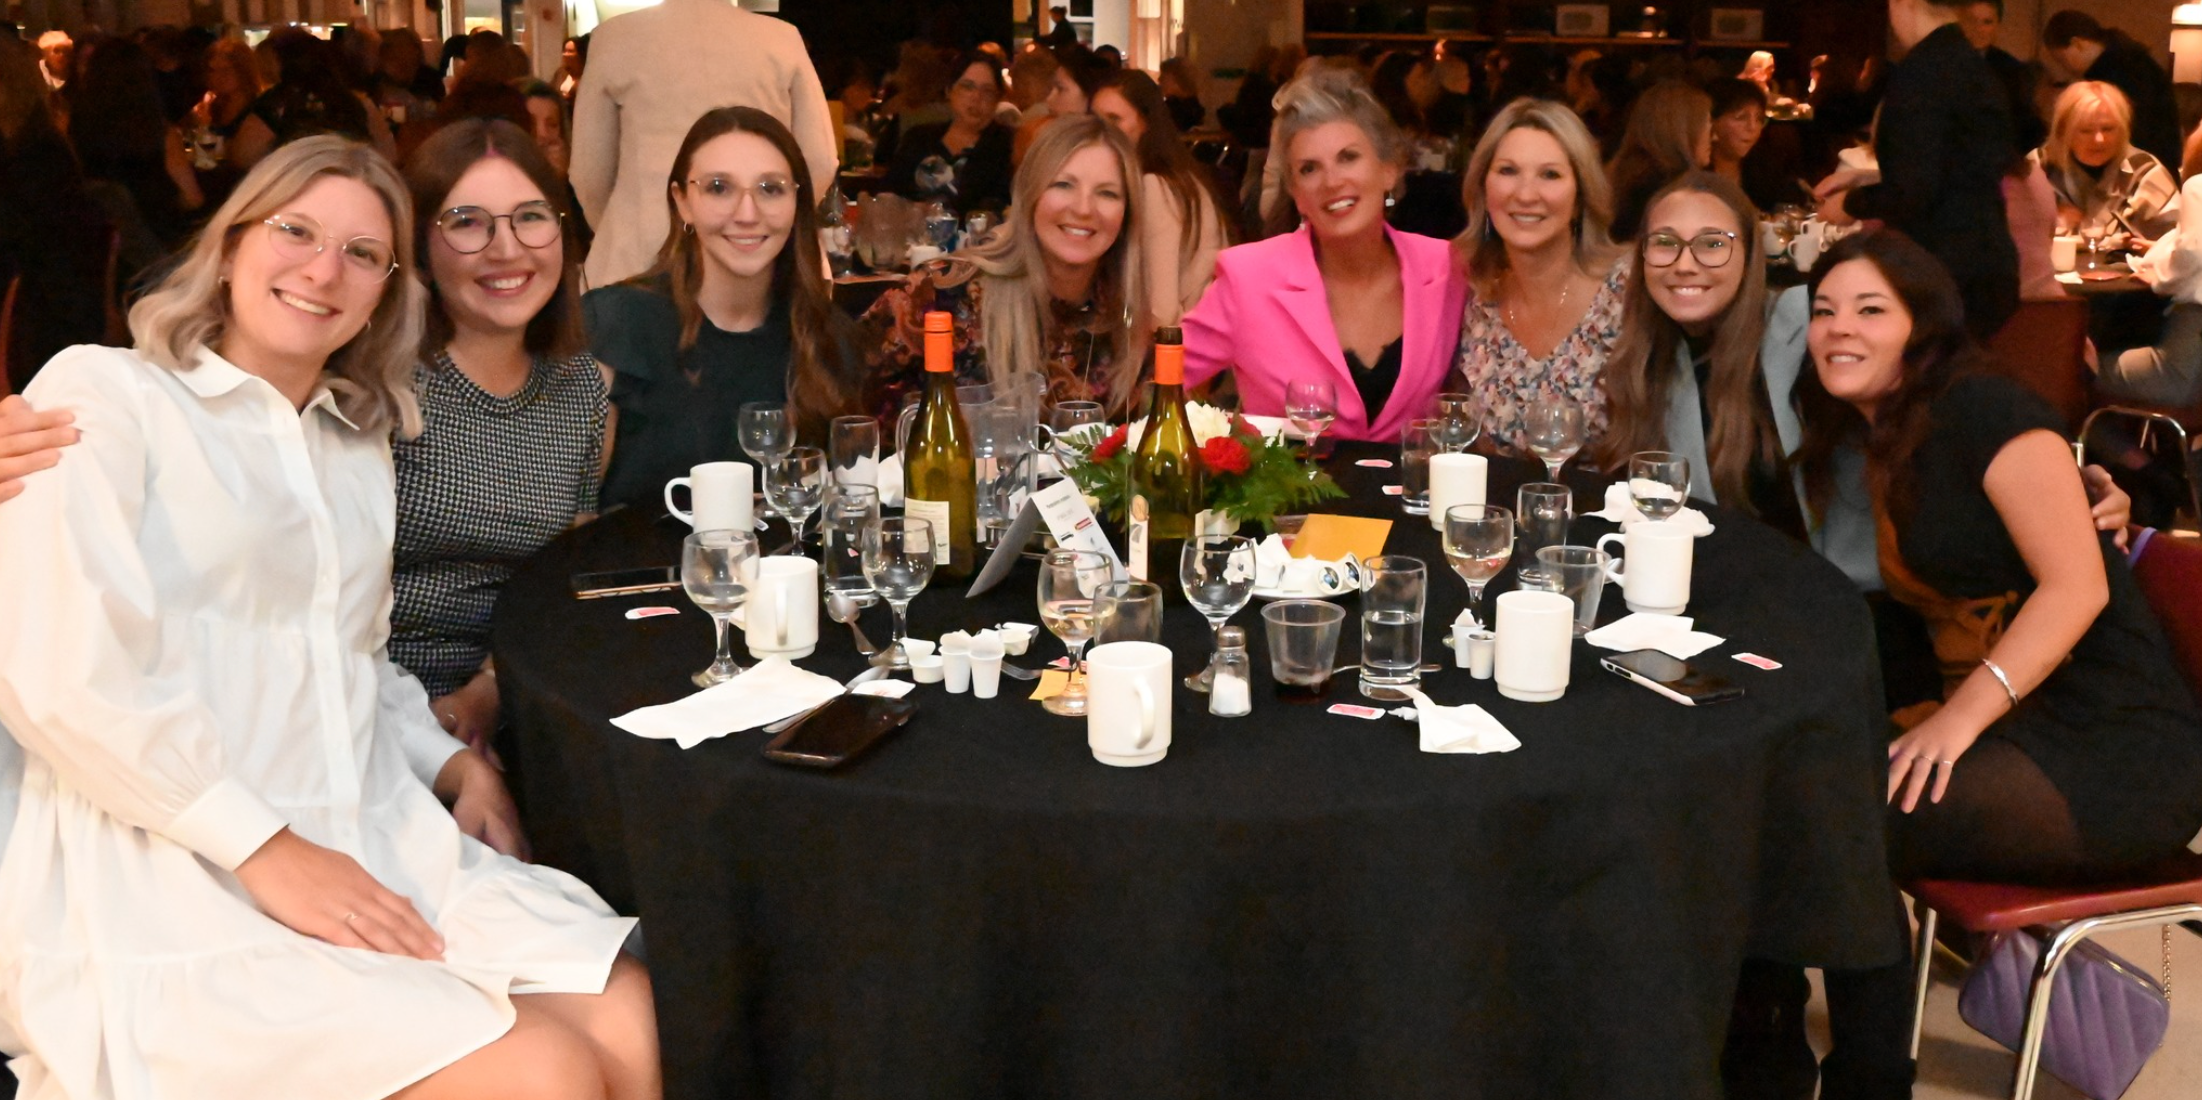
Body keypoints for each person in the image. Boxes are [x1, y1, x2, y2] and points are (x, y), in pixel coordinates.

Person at [0, 134, 659, 1100]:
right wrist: (268, 854)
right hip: (174, 864)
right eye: (296, 231)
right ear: (230, 245)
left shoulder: (355, 445)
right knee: (544, 1073)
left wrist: (452, 763)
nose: (323, 269)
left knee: (633, 1010)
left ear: (388, 292)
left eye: (361, 254)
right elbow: (57, 672)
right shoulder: (107, 395)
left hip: (361, 825)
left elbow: (352, 662)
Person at [1793, 228, 2202, 1094]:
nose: (1839, 329)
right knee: (1810, 783)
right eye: (1823, 310)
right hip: (2028, 717)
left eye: (1871, 309)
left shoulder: (1983, 408)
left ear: (1922, 326)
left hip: (2111, 748)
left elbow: (2076, 589)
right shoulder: (1883, 425)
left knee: (1835, 819)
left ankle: (1862, 1077)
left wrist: (1958, 718)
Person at [394, 119, 606, 762]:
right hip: (374, 708)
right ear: (420, 247)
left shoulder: (579, 390)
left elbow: (562, 580)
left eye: (530, 218)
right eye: (466, 222)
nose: (506, 249)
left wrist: (487, 690)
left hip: (517, 701)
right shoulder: (380, 386)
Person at [586, 106, 864, 509]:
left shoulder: (830, 338)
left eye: (771, 188)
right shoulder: (616, 325)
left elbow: (849, 509)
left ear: (797, 203)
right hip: (639, 571)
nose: (747, 214)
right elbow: (570, 522)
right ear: (682, 202)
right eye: (719, 187)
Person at [1180, 69, 1465, 442]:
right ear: (1296, 194)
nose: (1332, 181)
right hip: (1290, 498)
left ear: (1389, 170)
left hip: (1410, 498)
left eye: (1348, 157)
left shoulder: (1449, 269)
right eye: (1309, 169)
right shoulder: (1247, 277)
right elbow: (1160, 380)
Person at [859, 113, 1149, 418]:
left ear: (1127, 214)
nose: (1083, 208)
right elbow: (846, 409)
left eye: (1107, 193)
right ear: (1029, 194)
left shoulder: (1128, 324)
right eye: (1063, 185)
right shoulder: (942, 295)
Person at [570, 0, 838, 289]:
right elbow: (820, 160)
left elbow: (588, 172)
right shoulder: (781, 38)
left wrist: (620, 225)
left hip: (637, 257)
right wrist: (776, 219)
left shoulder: (615, 37)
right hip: (763, 261)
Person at [1814, 0, 2017, 341]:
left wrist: (1850, 204)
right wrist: (1864, 178)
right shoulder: (1970, 63)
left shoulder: (1921, 72)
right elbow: (1954, 166)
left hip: (1945, 270)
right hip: (1987, 260)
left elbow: (1913, 190)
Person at [1452, 97, 1628, 453]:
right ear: (1484, 189)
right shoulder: (1473, 297)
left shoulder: (1627, 293)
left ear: (1580, 196)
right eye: (1508, 171)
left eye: (1549, 174)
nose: (1525, 194)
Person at [1091, 67, 1229, 325]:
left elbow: (1161, 312)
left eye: (1114, 120)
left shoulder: (1155, 186)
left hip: (1183, 353)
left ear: (1146, 124)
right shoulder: (1172, 178)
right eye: (1096, 121)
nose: (1102, 133)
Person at [2036, 80, 2180, 246]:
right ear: (2063, 131)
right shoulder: (2039, 167)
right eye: (2086, 130)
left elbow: (2177, 245)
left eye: (2108, 129)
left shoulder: (2144, 171)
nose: (2099, 139)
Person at [2042, 9, 2182, 171]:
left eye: (2062, 59)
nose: (2064, 67)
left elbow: (2135, 130)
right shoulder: (2131, 59)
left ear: (2077, 44)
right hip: (2157, 162)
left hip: (2140, 168)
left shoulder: (2115, 73)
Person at [2107, 172, 2202, 407]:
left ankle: (2120, 445)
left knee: (2076, 366)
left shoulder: (2198, 186)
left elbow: (2192, 252)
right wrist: (2163, 248)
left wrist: (2161, 279)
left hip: (2183, 372)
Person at [884, 51, 1015, 218]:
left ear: (998, 99)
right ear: (949, 91)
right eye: (967, 86)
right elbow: (889, 196)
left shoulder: (1007, 146)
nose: (977, 97)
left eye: (987, 91)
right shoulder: (919, 138)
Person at [1605, 80, 1711, 240]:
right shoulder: (1675, 191)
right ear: (1684, 131)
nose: (1714, 137)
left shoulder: (1621, 173)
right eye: (1707, 127)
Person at [1960, 0, 2046, 154]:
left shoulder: (2012, 70)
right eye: (1971, 21)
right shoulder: (1941, 64)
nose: (1978, 29)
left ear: (1997, 26)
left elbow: (2024, 122)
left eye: (1987, 22)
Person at [1705, 78, 1766, 197]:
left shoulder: (1764, 170)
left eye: (1759, 118)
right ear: (1712, 121)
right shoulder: (1694, 178)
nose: (1752, 127)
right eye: (1741, 117)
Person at [1158, 57, 1204, 132]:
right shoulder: (1195, 108)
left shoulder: (1172, 111)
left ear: (1177, 81)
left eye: (1164, 76)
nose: (1159, 79)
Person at [555, 34, 586, 106]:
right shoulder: (560, 73)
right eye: (565, 51)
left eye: (570, 51)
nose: (566, 54)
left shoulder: (586, 75)